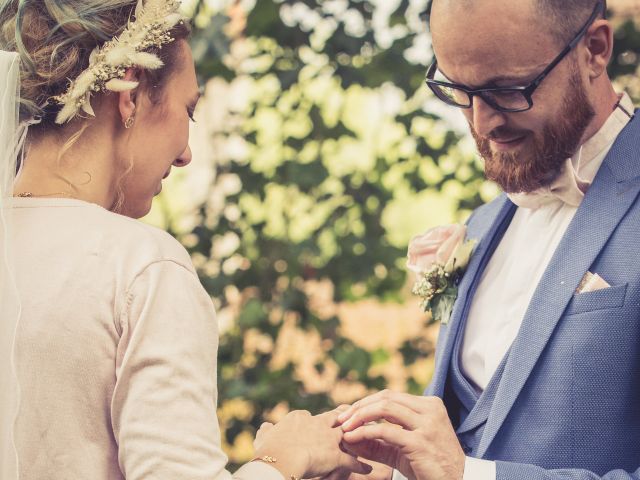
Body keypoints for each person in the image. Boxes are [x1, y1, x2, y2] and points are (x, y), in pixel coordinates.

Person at [0, 1, 373, 479]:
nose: (186, 154)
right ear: (130, 92)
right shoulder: (141, 268)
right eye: (188, 111)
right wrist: (285, 458)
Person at [333, 0, 640, 479]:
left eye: (509, 90)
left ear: (595, 50)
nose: (480, 123)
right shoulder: (480, 226)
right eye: (458, 89)